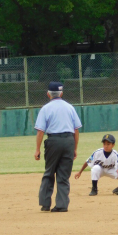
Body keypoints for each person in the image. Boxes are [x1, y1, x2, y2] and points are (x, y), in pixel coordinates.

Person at [34, 81, 82, 212]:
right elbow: (76, 130)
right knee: (63, 175)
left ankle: (45, 204)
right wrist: (75, 148)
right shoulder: (70, 107)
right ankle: (61, 205)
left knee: (49, 172)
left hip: (53, 141)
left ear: (48, 94)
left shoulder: (45, 108)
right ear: (61, 93)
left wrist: (37, 149)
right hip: (68, 141)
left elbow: (40, 131)